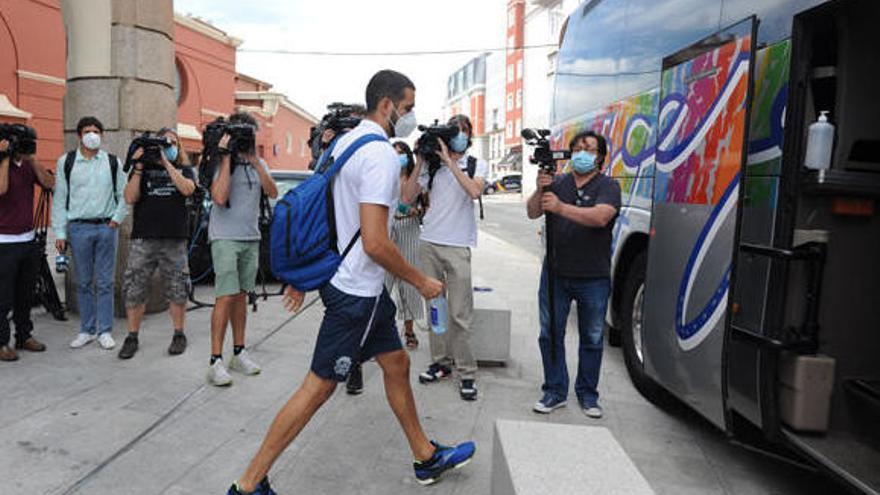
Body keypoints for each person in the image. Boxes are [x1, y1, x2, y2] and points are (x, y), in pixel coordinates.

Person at [227, 70, 475, 495]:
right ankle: (248, 485)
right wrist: (421, 281)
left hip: (360, 287)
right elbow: (377, 242)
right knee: (319, 386)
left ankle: (425, 456)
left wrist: (309, 273)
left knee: (396, 364)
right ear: (387, 105)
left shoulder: (346, 141)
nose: (411, 116)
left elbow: (327, 211)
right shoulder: (378, 154)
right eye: (409, 107)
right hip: (356, 292)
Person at [526, 130, 621, 418]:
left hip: (593, 276)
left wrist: (560, 207)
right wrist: (540, 189)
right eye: (579, 147)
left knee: (591, 338)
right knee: (550, 334)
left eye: (590, 149)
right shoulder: (558, 182)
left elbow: (601, 216)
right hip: (555, 273)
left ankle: (588, 395)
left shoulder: (608, 185)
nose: (583, 153)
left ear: (600, 157)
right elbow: (533, 212)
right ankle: (555, 390)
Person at [401, 114, 488, 401]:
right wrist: (422, 160)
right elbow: (407, 197)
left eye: (464, 131)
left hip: (458, 246)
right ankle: (440, 363)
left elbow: (475, 191)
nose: (459, 136)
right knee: (435, 309)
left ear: (469, 136)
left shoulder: (475, 164)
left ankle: (466, 372)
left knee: (460, 314)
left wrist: (451, 162)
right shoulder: (433, 166)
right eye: (455, 131)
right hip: (430, 244)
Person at [345, 141, 425, 395]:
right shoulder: (381, 175)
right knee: (380, 291)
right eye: (396, 153)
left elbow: (409, 201)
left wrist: (421, 161)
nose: (399, 157)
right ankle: (357, 356)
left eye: (404, 154)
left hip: (406, 230)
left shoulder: (411, 176)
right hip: (381, 241)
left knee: (406, 286)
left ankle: (408, 329)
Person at [206, 112, 278, 386]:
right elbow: (220, 197)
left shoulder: (257, 163)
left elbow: (272, 192)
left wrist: (256, 161)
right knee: (224, 296)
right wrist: (226, 157)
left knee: (241, 297)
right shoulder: (220, 161)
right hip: (225, 238)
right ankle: (215, 360)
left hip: (250, 237)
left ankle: (238, 352)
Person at [118, 128, 196, 359]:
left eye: (173, 143)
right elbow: (130, 198)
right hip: (145, 238)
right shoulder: (141, 170)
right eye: (165, 143)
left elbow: (187, 189)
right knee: (135, 287)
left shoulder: (184, 169)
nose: (169, 146)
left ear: (178, 147)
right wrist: (140, 166)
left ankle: (179, 333)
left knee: (177, 288)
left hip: (174, 238)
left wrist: (166, 163)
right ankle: (132, 336)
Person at [52, 116, 127, 350]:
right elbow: (60, 199)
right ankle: (86, 329)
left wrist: (116, 220)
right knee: (83, 281)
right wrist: (60, 232)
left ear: (102, 135)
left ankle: (104, 330)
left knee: (105, 282)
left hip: (106, 227)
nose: (92, 134)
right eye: (87, 131)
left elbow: (124, 194)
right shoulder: (67, 162)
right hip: (78, 228)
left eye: (96, 131)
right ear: (79, 135)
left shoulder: (113, 162)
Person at [0, 131, 54, 361]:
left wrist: (32, 159)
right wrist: (3, 157)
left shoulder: (28, 165)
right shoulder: (3, 164)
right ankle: (2, 342)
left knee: (25, 294)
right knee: (3, 297)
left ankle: (24, 335)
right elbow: (1, 189)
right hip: (4, 243)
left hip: (28, 240)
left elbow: (50, 183)